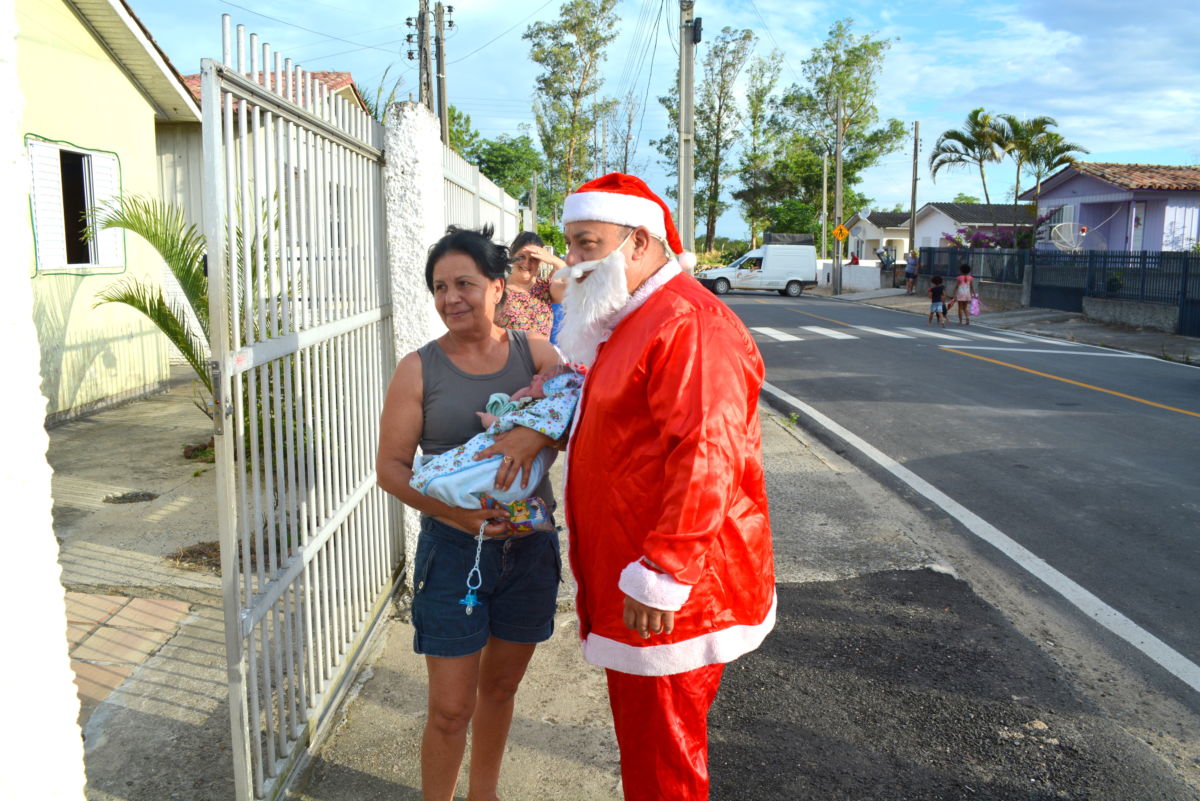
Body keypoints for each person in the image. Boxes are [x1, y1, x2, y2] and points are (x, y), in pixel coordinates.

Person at [555, 173, 776, 801]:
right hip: (642, 577)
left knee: (664, 766)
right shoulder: (636, 315)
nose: (572, 263)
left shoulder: (687, 321)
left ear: (640, 242)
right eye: (571, 244)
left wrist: (665, 570)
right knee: (651, 753)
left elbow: (708, 453)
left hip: (674, 594)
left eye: (587, 243)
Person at [376, 225, 564, 801]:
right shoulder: (419, 368)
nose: (451, 298)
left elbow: (564, 424)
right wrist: (456, 519)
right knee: (450, 710)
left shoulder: (537, 352)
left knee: (501, 690)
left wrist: (535, 440)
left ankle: (485, 794)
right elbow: (391, 469)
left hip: (529, 549)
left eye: (465, 283)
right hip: (455, 553)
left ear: (499, 286)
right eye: (439, 287)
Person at [409, 364, 584, 533]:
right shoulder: (533, 407)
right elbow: (512, 413)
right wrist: (519, 396)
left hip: (514, 474)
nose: (535, 376)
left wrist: (489, 420)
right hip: (451, 531)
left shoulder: (543, 410)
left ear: (555, 392)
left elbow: (506, 425)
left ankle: (451, 486)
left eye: (544, 378)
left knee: (479, 475)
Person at [496, 231, 568, 343]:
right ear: (512, 256)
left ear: (541, 261)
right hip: (508, 359)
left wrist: (557, 262)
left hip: (544, 359)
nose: (526, 263)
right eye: (521, 257)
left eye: (534, 259)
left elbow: (576, 292)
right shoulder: (498, 289)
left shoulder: (546, 288)